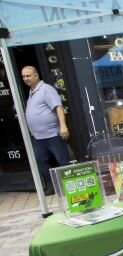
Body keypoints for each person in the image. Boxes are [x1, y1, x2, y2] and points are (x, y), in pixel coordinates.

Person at [21, 66, 70, 195]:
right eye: (24, 76)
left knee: (63, 161)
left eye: (28, 75)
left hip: (53, 134)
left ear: (36, 75)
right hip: (38, 137)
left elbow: (58, 108)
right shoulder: (32, 92)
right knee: (39, 161)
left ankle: (69, 187)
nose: (26, 78)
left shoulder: (46, 89)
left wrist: (63, 126)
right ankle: (54, 186)